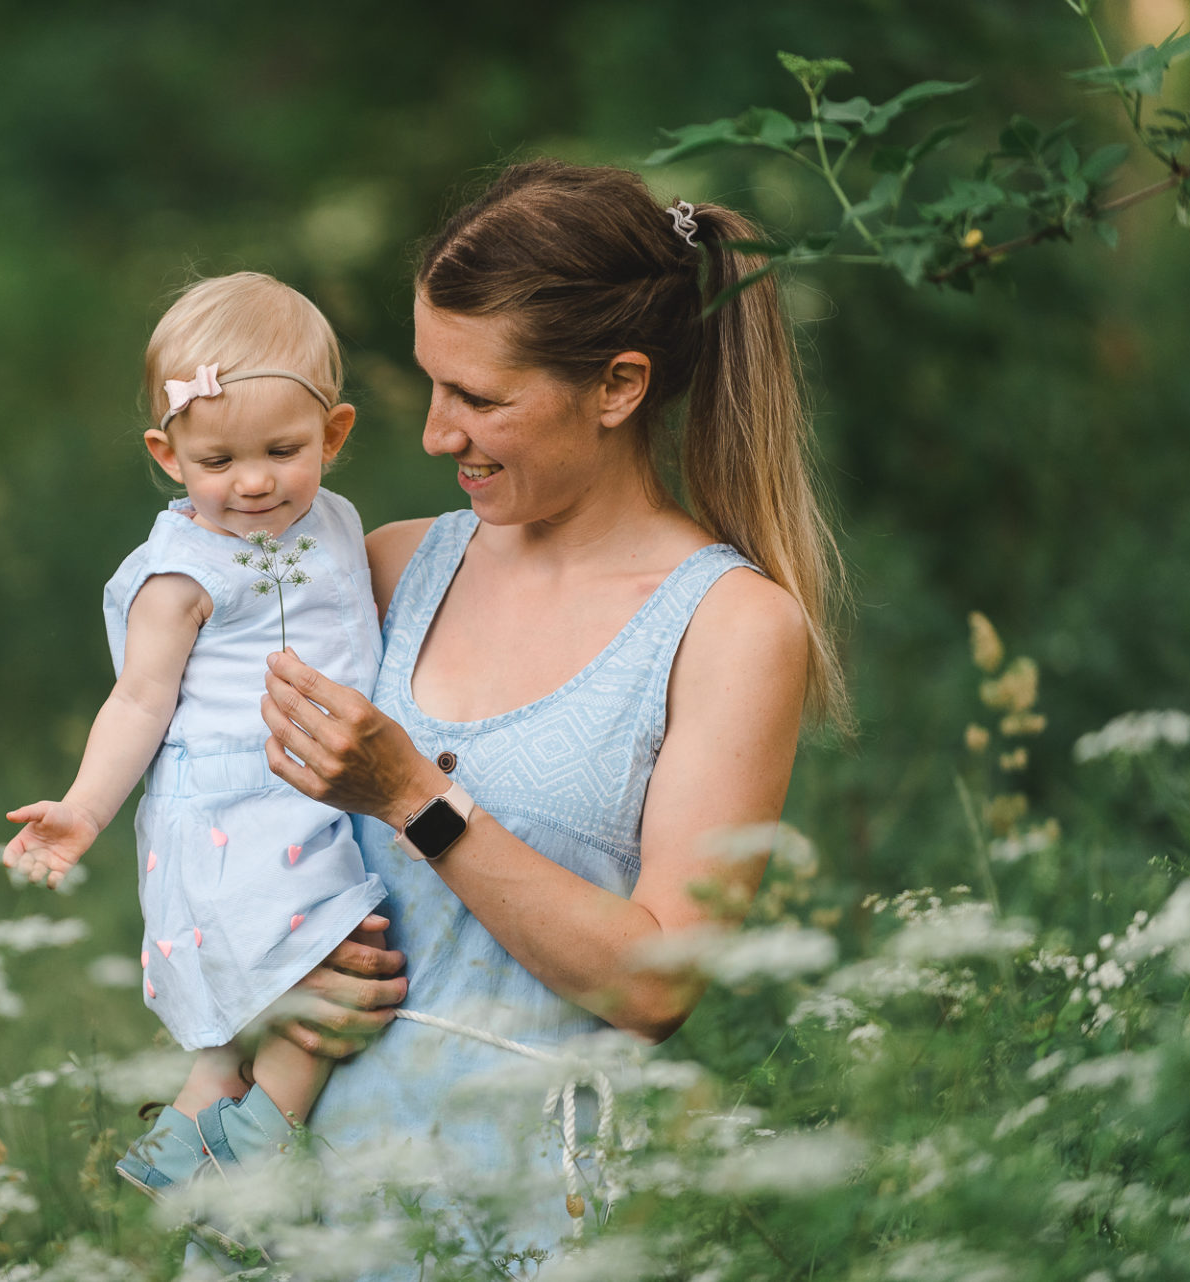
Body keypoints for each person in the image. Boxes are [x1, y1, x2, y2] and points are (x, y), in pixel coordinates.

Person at [253, 160, 848, 1257]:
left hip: (533, 1215)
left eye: (479, 398)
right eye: (433, 385)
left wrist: (417, 800)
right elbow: (228, 820)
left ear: (619, 386)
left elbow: (660, 982)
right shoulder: (386, 569)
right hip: (303, 1197)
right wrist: (258, 976)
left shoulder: (727, 627)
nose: (436, 434)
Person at [0, 272, 388, 1201]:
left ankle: (188, 1139)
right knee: (342, 957)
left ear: (333, 435)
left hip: (316, 788)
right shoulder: (180, 573)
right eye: (217, 462)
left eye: (282, 451)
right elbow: (138, 701)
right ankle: (257, 1142)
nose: (252, 482)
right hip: (235, 807)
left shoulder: (332, 519)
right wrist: (86, 810)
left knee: (248, 1020)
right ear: (168, 455)